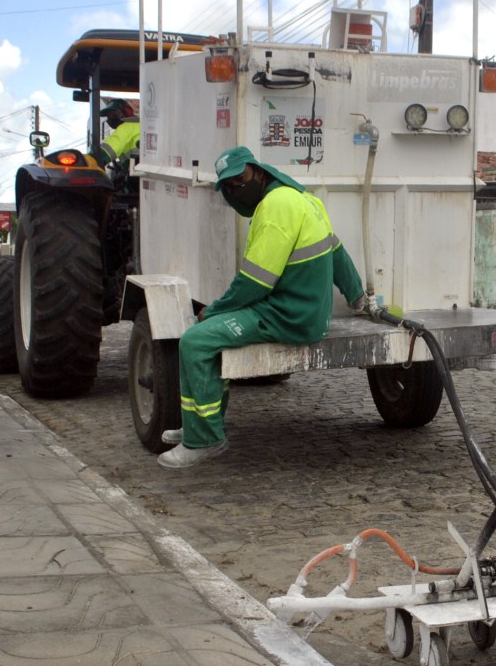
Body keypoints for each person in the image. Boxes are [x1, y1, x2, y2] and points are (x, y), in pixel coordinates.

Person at [158, 146, 367, 469]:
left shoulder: (275, 208)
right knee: (208, 340)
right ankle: (199, 425)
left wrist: (213, 311)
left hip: (286, 316)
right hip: (306, 314)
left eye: (240, 178)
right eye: (228, 185)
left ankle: (204, 440)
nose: (236, 188)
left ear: (257, 170)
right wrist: (358, 297)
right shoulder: (303, 199)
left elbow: (255, 283)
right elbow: (338, 253)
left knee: (195, 341)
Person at [93, 98, 141, 167]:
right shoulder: (139, 124)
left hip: (138, 173)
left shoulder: (127, 126)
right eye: (108, 116)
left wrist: (90, 158)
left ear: (126, 112)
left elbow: (107, 151)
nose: (110, 118)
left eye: (113, 114)